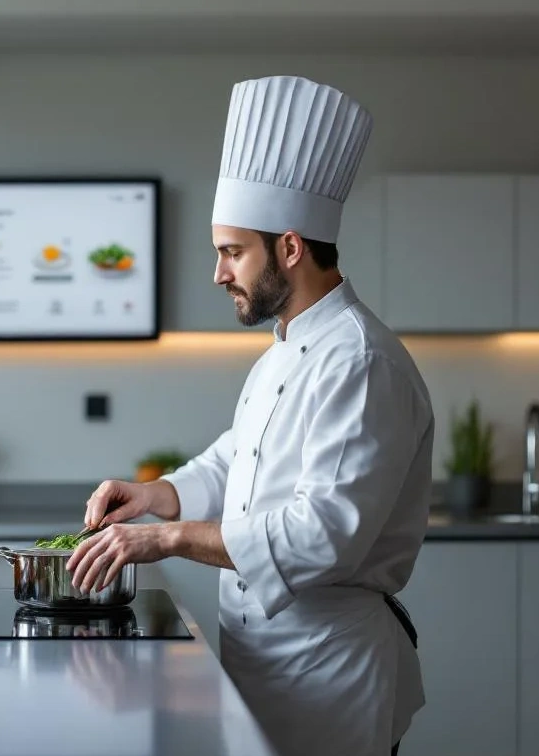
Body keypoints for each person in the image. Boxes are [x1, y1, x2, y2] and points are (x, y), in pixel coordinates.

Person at [66, 75, 433, 756]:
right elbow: (238, 461)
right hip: (265, 664)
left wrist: (166, 540)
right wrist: (158, 495)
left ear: (290, 249)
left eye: (232, 251)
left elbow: (322, 535)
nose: (218, 272)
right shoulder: (281, 351)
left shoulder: (361, 362)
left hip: (332, 676)